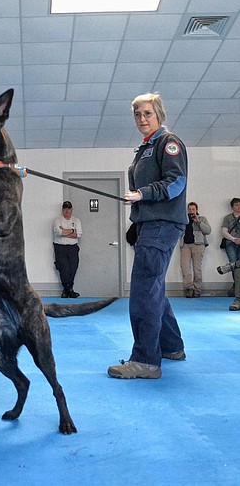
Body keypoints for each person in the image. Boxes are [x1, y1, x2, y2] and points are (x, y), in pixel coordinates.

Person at [108, 93, 188, 380]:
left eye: (147, 113)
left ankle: (145, 361)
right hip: (150, 224)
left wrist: (143, 193)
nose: (142, 119)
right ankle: (172, 347)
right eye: (138, 114)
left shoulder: (169, 143)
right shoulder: (145, 148)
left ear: (159, 115)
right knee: (154, 288)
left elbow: (176, 182)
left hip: (162, 224)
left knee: (143, 291)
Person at [179, 202, 211, 298]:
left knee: (197, 268)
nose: (191, 211)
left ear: (196, 210)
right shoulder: (184, 219)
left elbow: (208, 231)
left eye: (193, 209)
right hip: (185, 245)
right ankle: (188, 288)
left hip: (198, 245)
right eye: (189, 209)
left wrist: (198, 222)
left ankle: (197, 289)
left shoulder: (202, 219)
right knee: (185, 267)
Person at [52, 201, 82, 298]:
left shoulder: (76, 220)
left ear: (71, 210)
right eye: (65, 209)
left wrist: (65, 231)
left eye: (69, 209)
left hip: (73, 248)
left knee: (73, 267)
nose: (67, 211)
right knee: (63, 268)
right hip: (60, 247)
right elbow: (58, 232)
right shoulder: (57, 220)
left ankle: (67, 290)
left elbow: (78, 234)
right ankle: (69, 290)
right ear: (62, 210)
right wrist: (72, 231)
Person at [221, 197, 240, 311]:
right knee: (235, 267)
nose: (239, 207)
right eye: (237, 205)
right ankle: (237, 290)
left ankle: (236, 287)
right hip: (231, 243)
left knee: (237, 266)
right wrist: (234, 239)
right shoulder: (228, 218)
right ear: (232, 206)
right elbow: (224, 231)